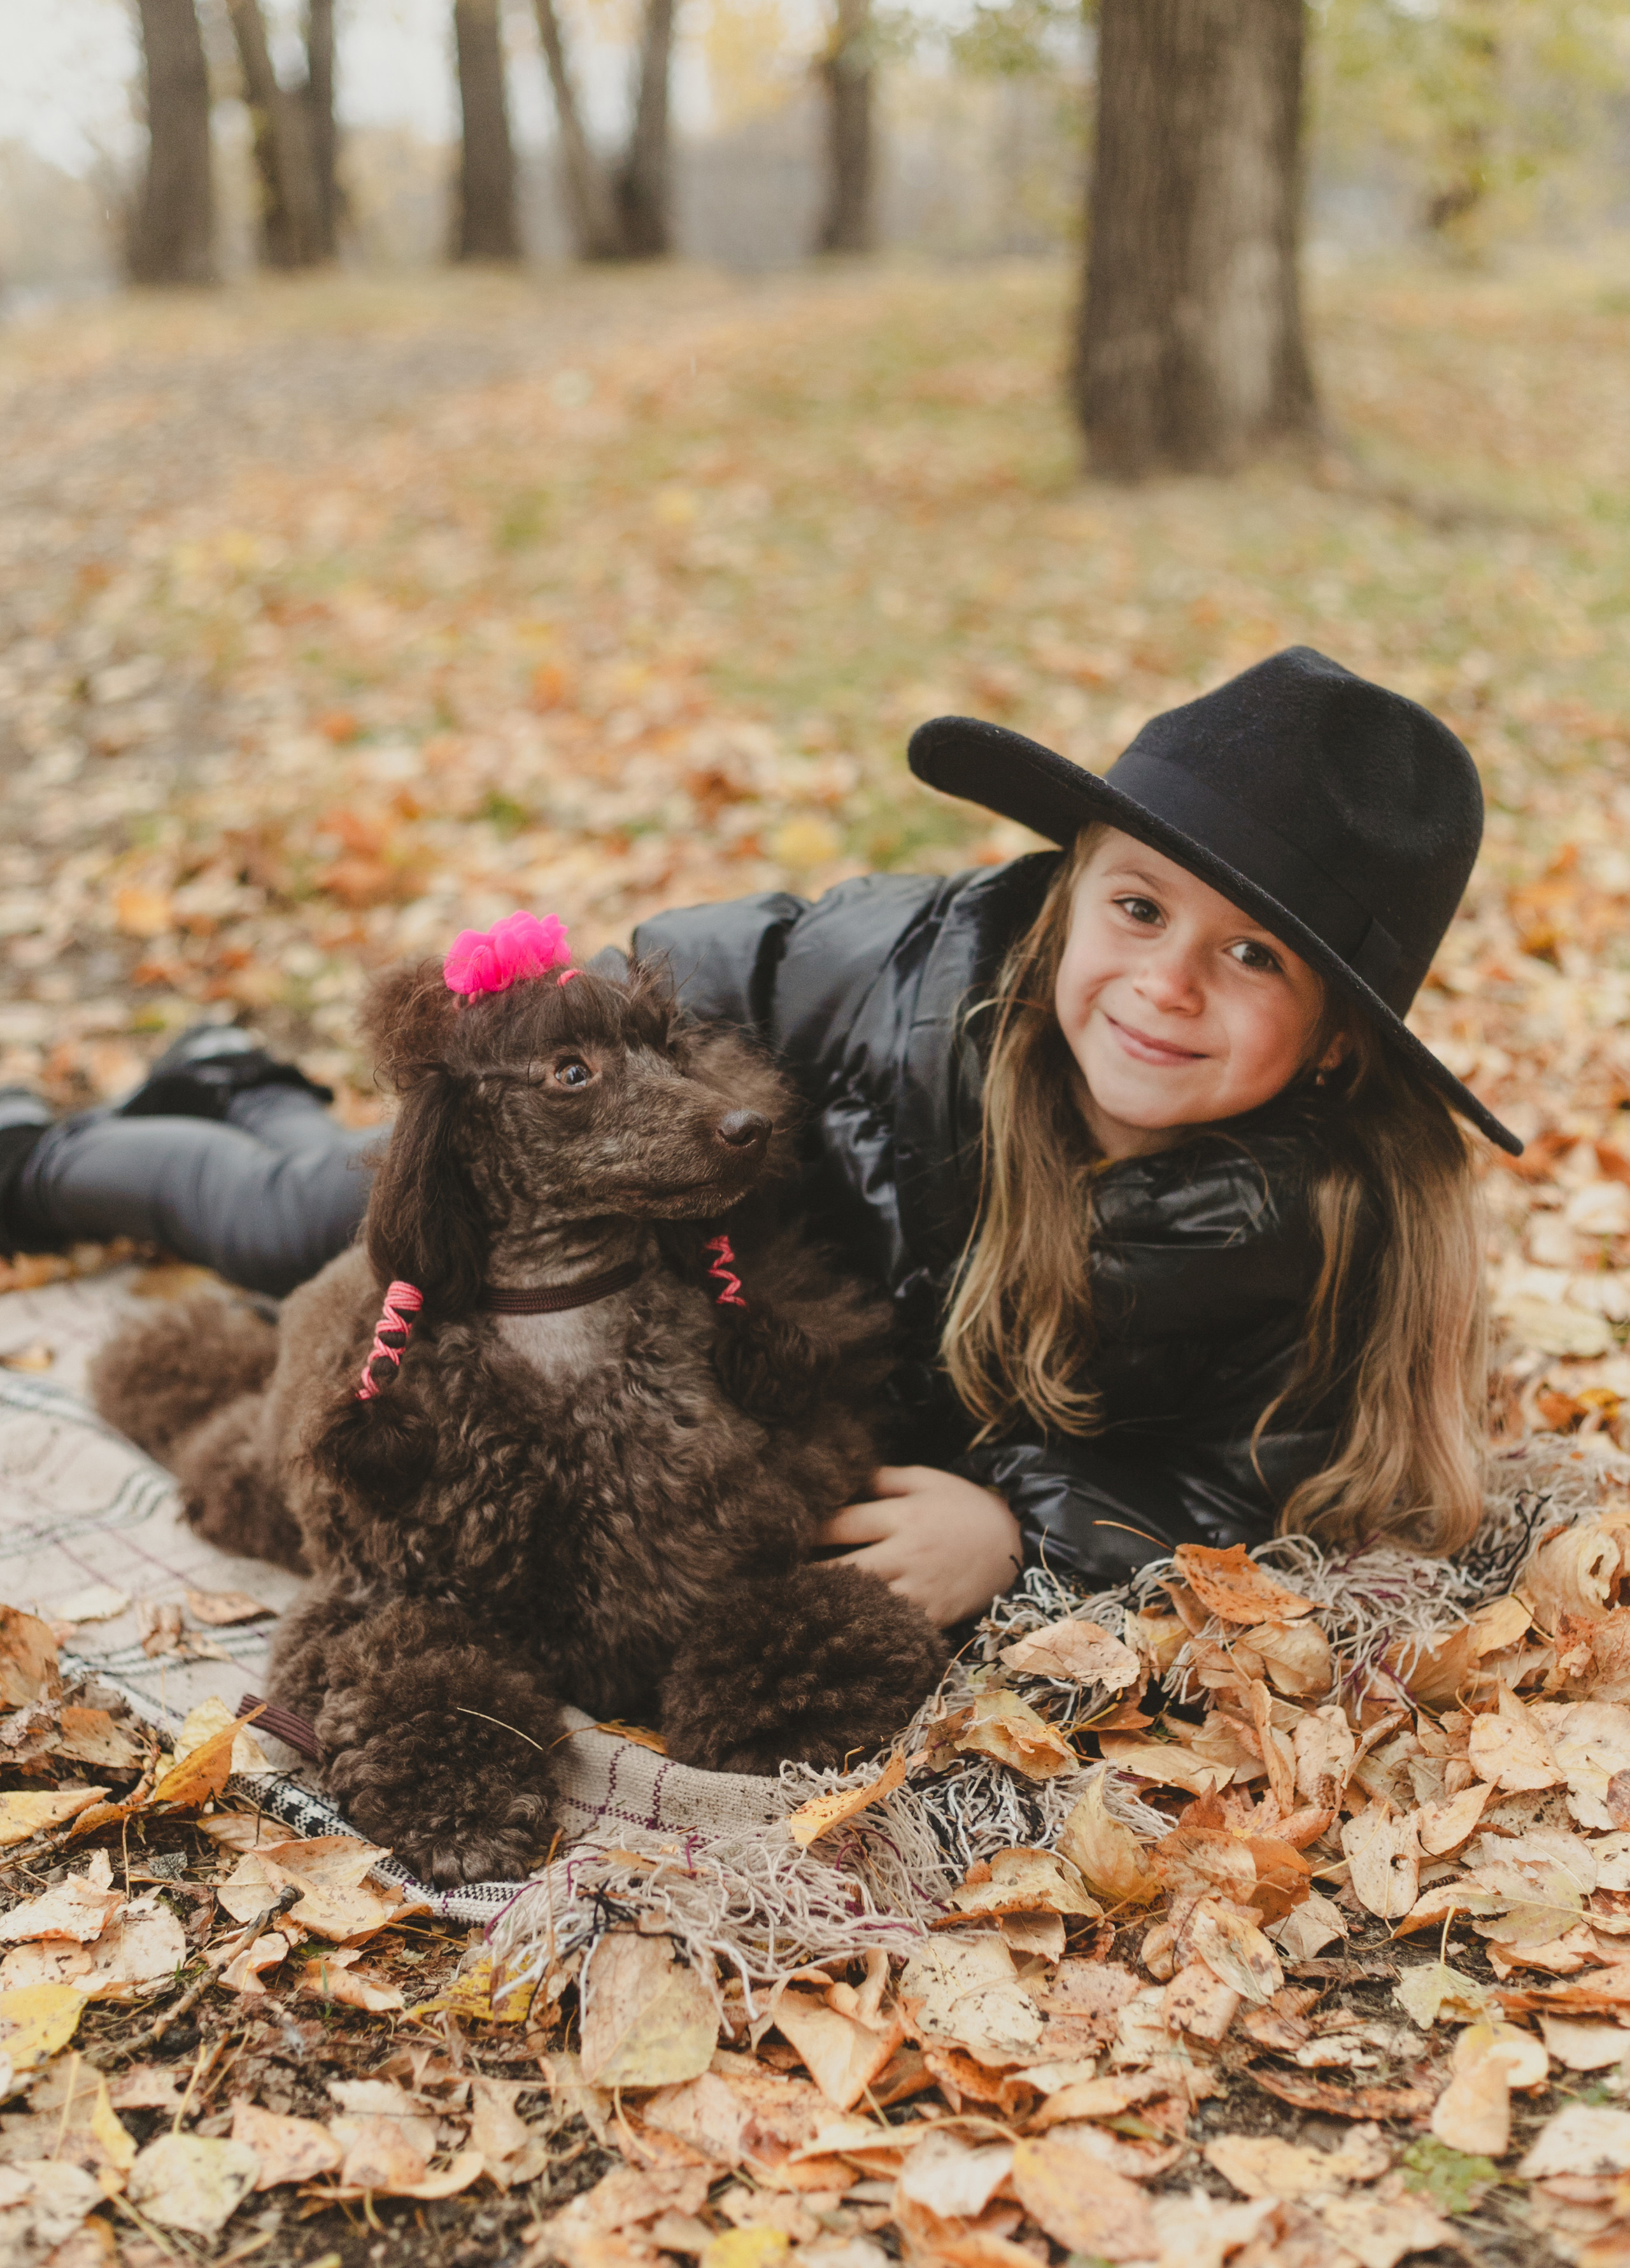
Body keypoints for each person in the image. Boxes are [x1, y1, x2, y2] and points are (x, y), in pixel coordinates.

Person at [0, 647, 1519, 1626]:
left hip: (761, 1387)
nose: (1164, 986)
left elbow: (1248, 1480)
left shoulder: (1328, 1236)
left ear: (1336, 1038)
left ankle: (228, 1073)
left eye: (1251, 957)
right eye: (1137, 908)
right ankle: (46, 1159)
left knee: (303, 1185)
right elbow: (693, 992)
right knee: (305, 1218)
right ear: (1070, 898)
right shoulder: (894, 988)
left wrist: (1026, 1530)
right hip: (643, 1178)